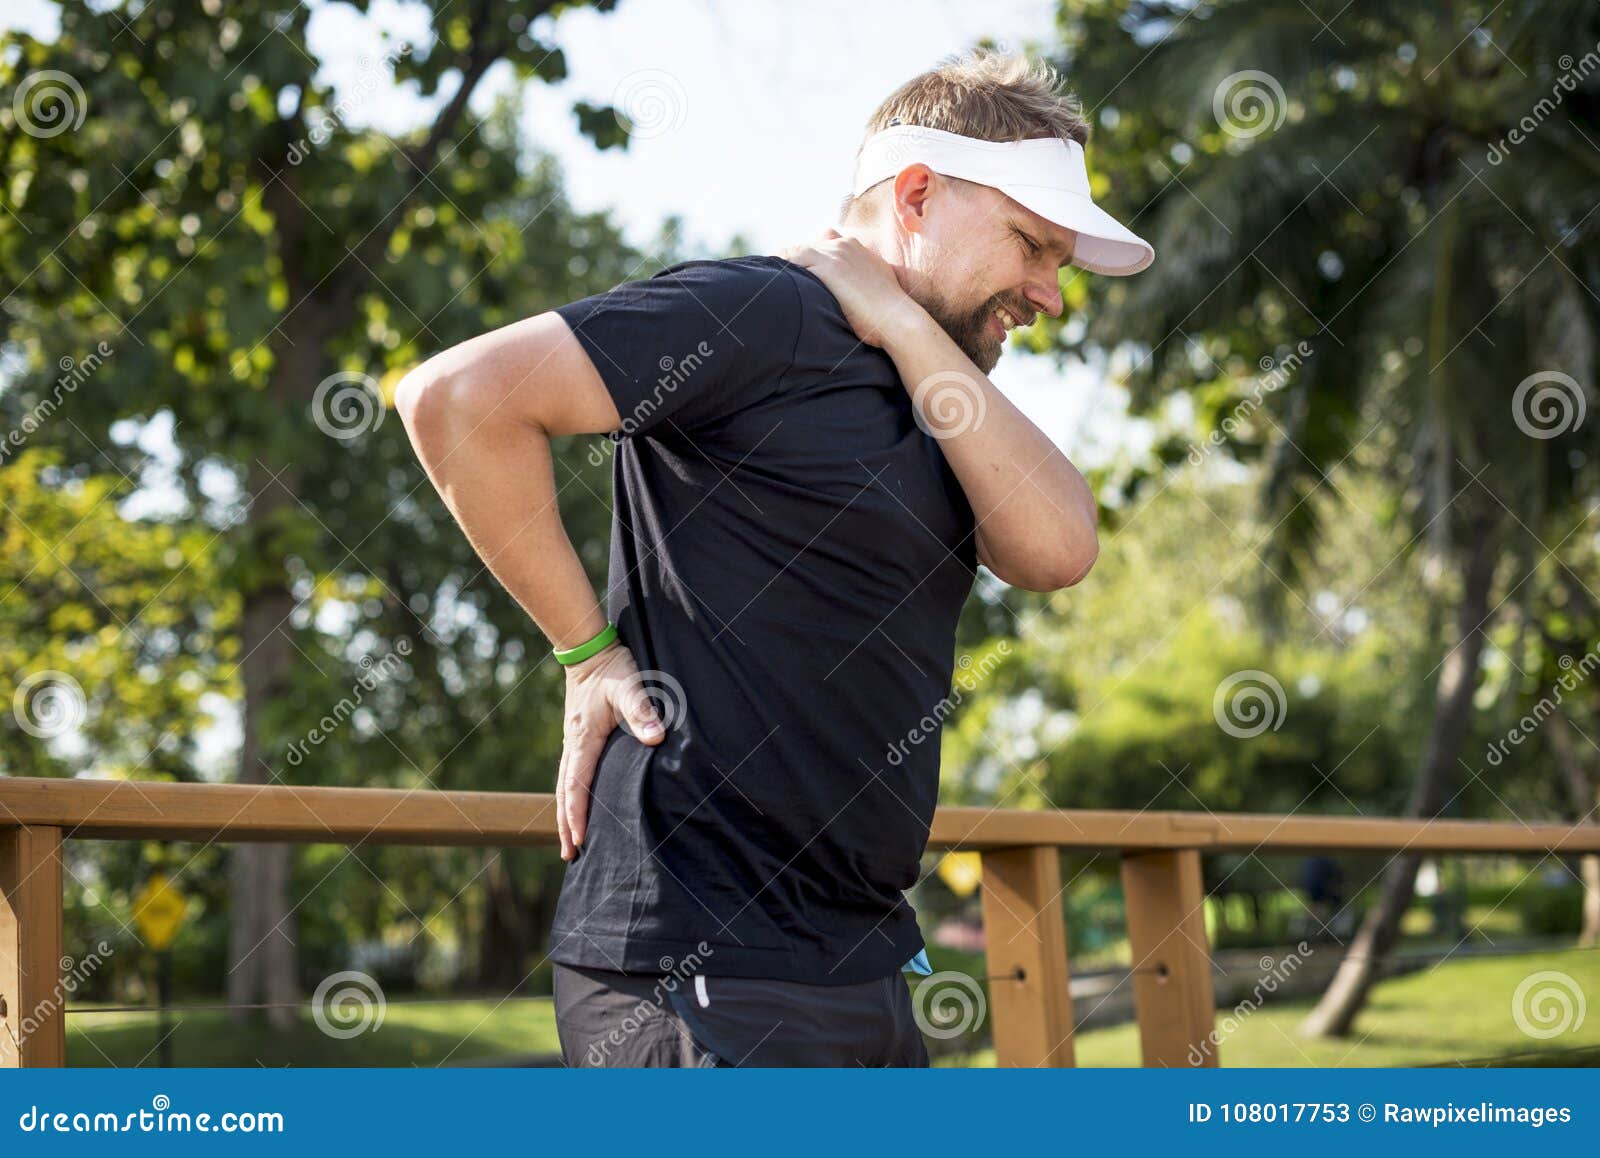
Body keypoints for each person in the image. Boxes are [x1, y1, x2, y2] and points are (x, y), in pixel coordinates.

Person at [396, 51, 1153, 1067]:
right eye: (1029, 245)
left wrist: (892, 319)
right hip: (703, 957)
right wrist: (587, 653)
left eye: (1057, 261)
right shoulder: (765, 313)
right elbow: (457, 401)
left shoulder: (938, 392)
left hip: (863, 953)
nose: (1048, 294)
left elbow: (1059, 547)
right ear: (916, 196)